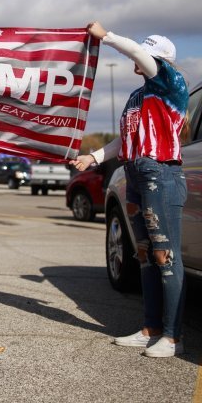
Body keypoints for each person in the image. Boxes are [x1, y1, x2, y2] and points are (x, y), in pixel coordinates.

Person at [71, 21, 188, 358]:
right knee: (145, 257)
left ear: (159, 60)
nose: (137, 59)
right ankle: (150, 328)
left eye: (147, 54)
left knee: (167, 255)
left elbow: (137, 52)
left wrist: (105, 36)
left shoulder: (170, 82)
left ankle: (172, 335)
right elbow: (125, 138)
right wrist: (92, 157)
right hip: (135, 173)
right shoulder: (139, 95)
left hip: (160, 174)